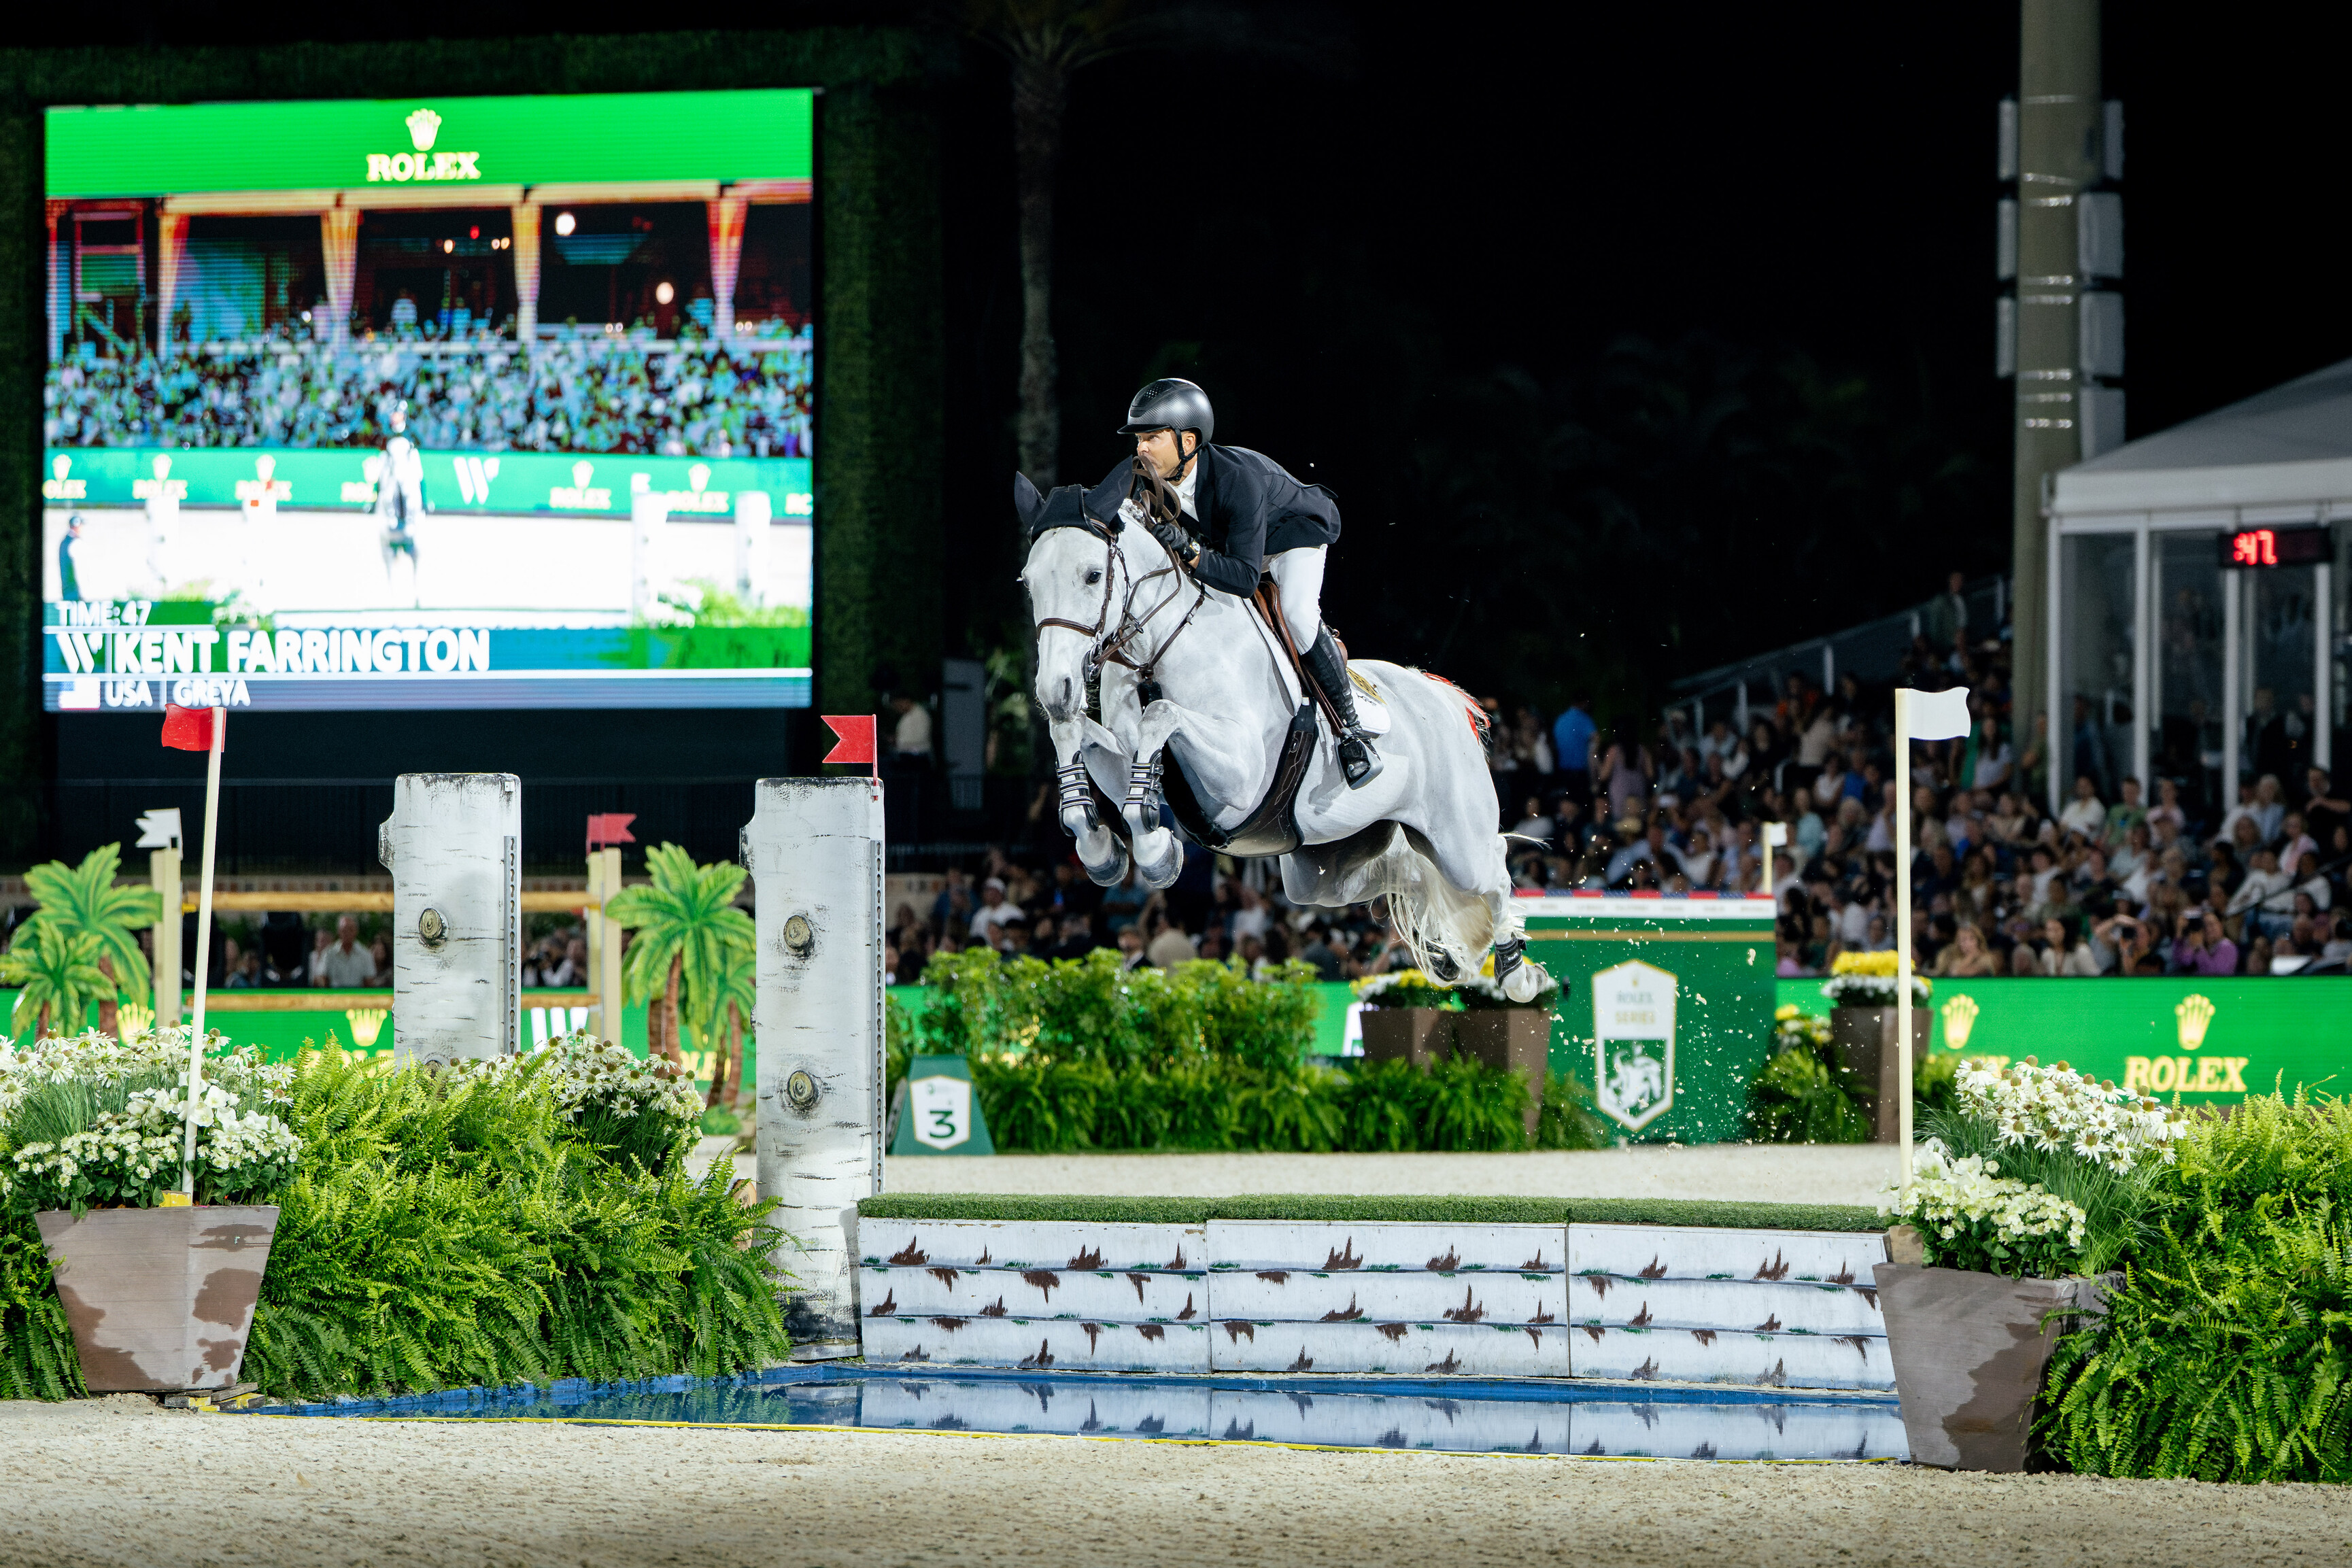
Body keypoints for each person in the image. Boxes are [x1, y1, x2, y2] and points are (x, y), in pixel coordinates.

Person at [1097, 378, 1377, 787]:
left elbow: (1245, 579)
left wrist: (1191, 551)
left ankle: (1351, 733)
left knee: (1298, 614)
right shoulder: (1148, 481)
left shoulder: (1235, 480)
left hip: (1290, 539)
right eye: (1138, 439)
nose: (1140, 448)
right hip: (1233, 546)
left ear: (1187, 441)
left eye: (1151, 437)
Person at [374, 402, 428, 605]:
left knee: (408, 488)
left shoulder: (411, 441)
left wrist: (423, 499)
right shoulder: (386, 441)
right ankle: (390, 593)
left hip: (407, 482)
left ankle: (417, 593)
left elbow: (419, 474)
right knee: (387, 492)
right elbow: (381, 475)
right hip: (390, 486)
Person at [313, 915, 378, 988]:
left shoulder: (365, 954)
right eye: (344, 930)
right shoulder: (329, 953)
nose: (347, 933)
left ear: (356, 931)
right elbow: (322, 977)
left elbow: (369, 981)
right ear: (339, 931)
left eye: (350, 930)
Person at [56, 515, 85, 602]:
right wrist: (84, 594)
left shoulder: (64, 542)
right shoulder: (76, 543)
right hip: (75, 593)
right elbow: (80, 571)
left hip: (66, 591)